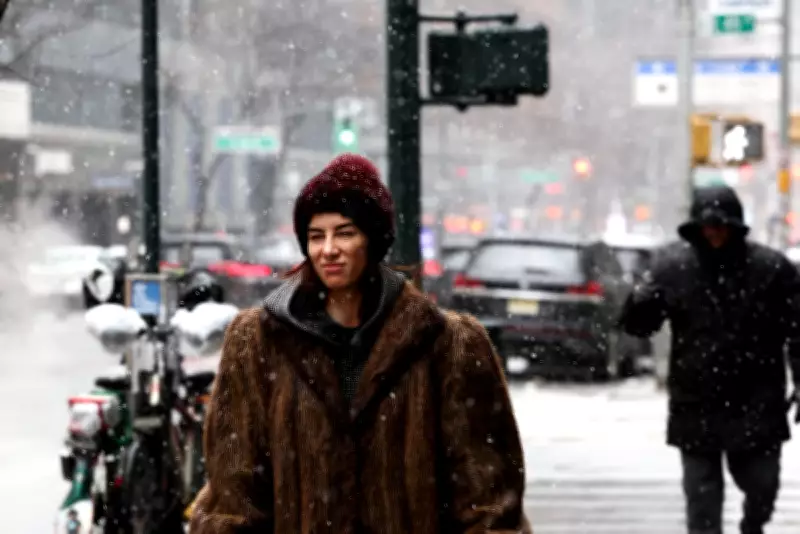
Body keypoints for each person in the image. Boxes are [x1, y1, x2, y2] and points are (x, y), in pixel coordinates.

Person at [190, 153, 531, 534]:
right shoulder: (258, 341)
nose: (328, 249)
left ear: (373, 240)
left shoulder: (448, 344)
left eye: (345, 232)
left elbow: (487, 497)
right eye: (316, 236)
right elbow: (235, 491)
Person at [619, 185, 800, 534]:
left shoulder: (771, 269)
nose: (714, 233)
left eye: (721, 225)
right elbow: (641, 327)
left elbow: (798, 330)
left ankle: (753, 525)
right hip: (696, 402)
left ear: (736, 227)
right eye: (707, 226)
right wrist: (638, 302)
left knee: (763, 486)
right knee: (702, 506)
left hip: (757, 400)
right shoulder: (674, 269)